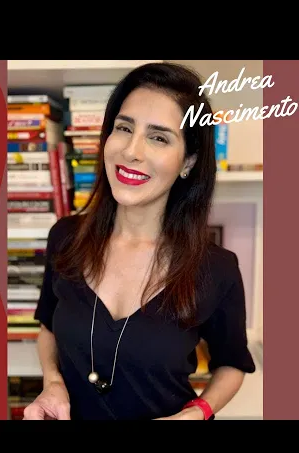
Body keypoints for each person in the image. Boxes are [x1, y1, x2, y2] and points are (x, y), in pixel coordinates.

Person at [23, 62, 256, 421]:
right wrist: (53, 383)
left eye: (159, 137)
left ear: (188, 161)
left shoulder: (217, 269)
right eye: (124, 128)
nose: (132, 151)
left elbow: (232, 365)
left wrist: (195, 414)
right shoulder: (66, 237)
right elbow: (48, 329)